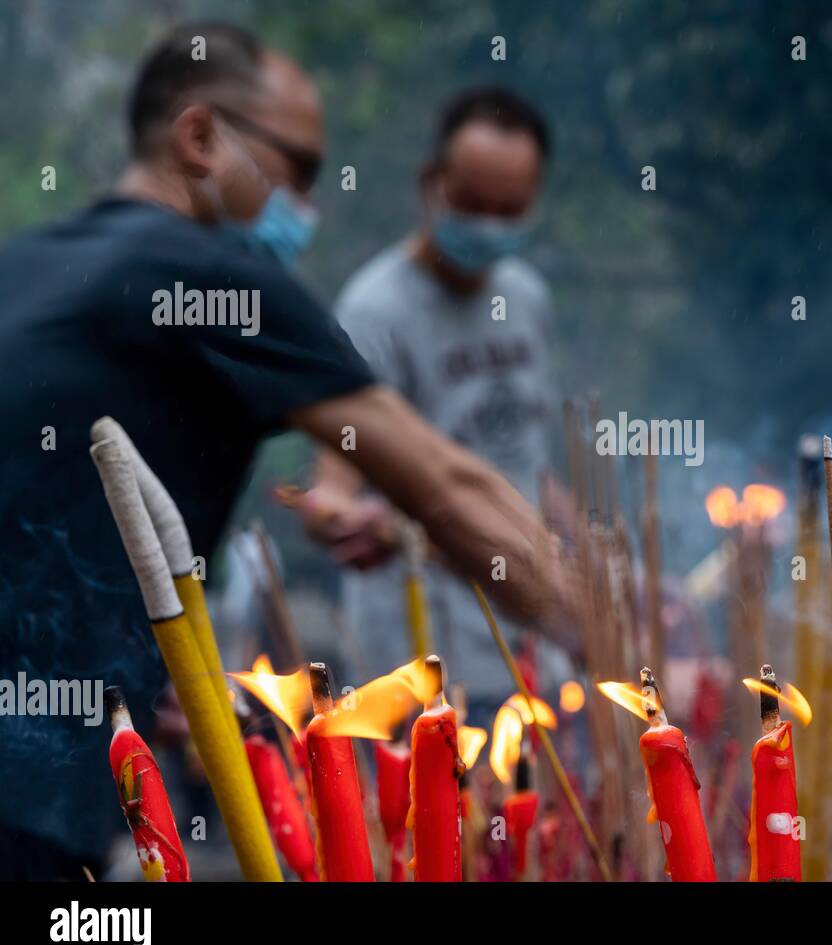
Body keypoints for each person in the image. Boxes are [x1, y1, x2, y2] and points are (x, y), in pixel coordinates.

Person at [0, 22, 569, 880]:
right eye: (299, 169)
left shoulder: (26, 263)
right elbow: (445, 482)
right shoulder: (210, 276)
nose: (309, 203)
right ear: (200, 138)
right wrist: (615, 637)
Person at [297, 88, 562, 700]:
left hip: (532, 651)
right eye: (471, 204)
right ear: (430, 182)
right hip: (425, 666)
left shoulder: (527, 298)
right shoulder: (374, 311)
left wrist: (597, 567)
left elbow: (533, 467)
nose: (488, 226)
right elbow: (332, 490)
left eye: (509, 209)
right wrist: (352, 520)